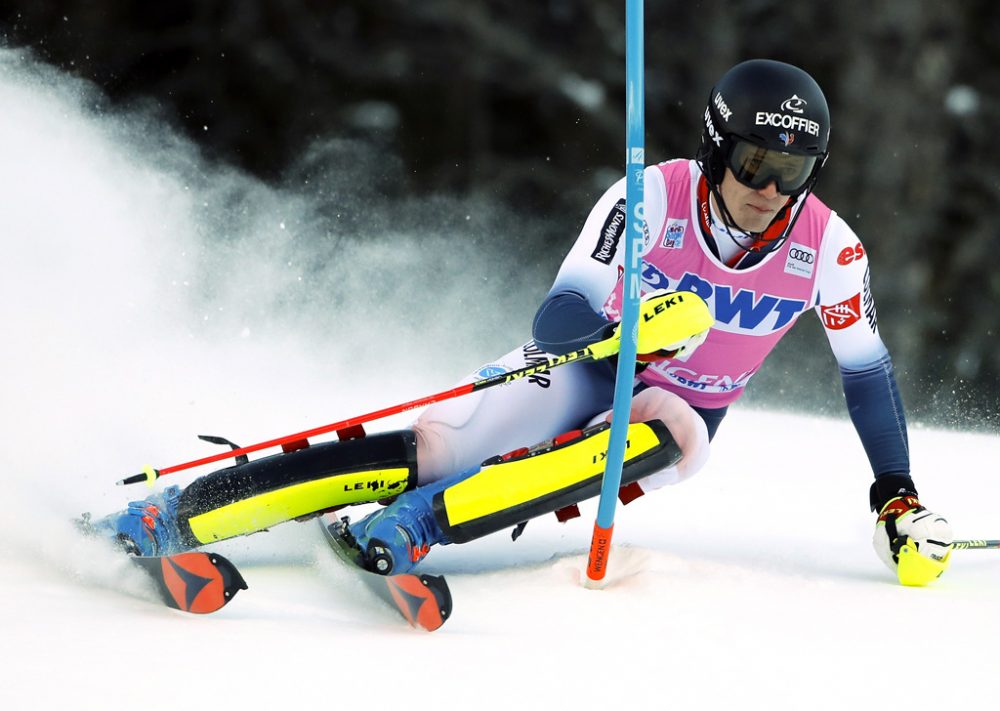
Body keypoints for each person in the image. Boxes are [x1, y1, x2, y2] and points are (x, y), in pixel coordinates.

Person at [89, 59, 952, 586]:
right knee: (439, 449)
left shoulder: (829, 249)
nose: (771, 187)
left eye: (791, 169)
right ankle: (185, 509)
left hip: (677, 409)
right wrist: (637, 327)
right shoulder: (650, 198)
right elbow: (563, 307)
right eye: (756, 162)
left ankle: (414, 527)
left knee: (667, 441)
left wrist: (896, 492)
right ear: (721, 148)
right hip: (587, 363)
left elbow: (865, 373)